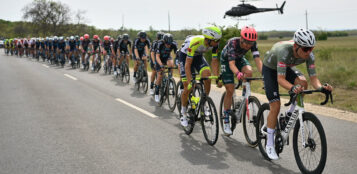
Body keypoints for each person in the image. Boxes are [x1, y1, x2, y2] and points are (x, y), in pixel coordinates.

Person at [262, 28, 333, 160]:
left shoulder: (310, 55)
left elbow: (314, 80)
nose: (308, 52)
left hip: (286, 66)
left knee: (303, 83)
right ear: (296, 46)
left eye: (311, 48)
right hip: (269, 69)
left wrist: (322, 87)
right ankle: (269, 143)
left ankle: (290, 113)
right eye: (305, 49)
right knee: (275, 106)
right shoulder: (284, 52)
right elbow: (280, 79)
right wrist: (292, 88)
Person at [220, 26, 262, 135]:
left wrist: (264, 74)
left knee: (249, 72)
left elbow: (257, 60)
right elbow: (231, 64)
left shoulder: (253, 43)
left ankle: (244, 96)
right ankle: (225, 119)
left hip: (239, 59)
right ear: (241, 38)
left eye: (251, 43)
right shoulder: (232, 43)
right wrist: (238, 73)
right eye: (246, 42)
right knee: (230, 89)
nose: (248, 45)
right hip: (227, 61)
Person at [178, 26, 222, 127]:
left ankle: (204, 101)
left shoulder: (215, 44)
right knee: (187, 87)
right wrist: (190, 81)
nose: (218, 42)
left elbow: (214, 61)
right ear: (208, 39)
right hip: (185, 57)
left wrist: (217, 77)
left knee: (207, 75)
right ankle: (183, 112)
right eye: (216, 40)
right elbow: (188, 65)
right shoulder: (195, 42)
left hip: (198, 57)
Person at [154, 33, 178, 102]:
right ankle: (156, 93)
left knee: (171, 65)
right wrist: (161, 65)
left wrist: (177, 62)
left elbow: (177, 54)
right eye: (167, 44)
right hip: (159, 58)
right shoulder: (160, 44)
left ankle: (170, 79)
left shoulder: (173, 44)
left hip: (167, 57)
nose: (168, 45)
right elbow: (157, 56)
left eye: (170, 44)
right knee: (160, 74)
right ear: (164, 42)